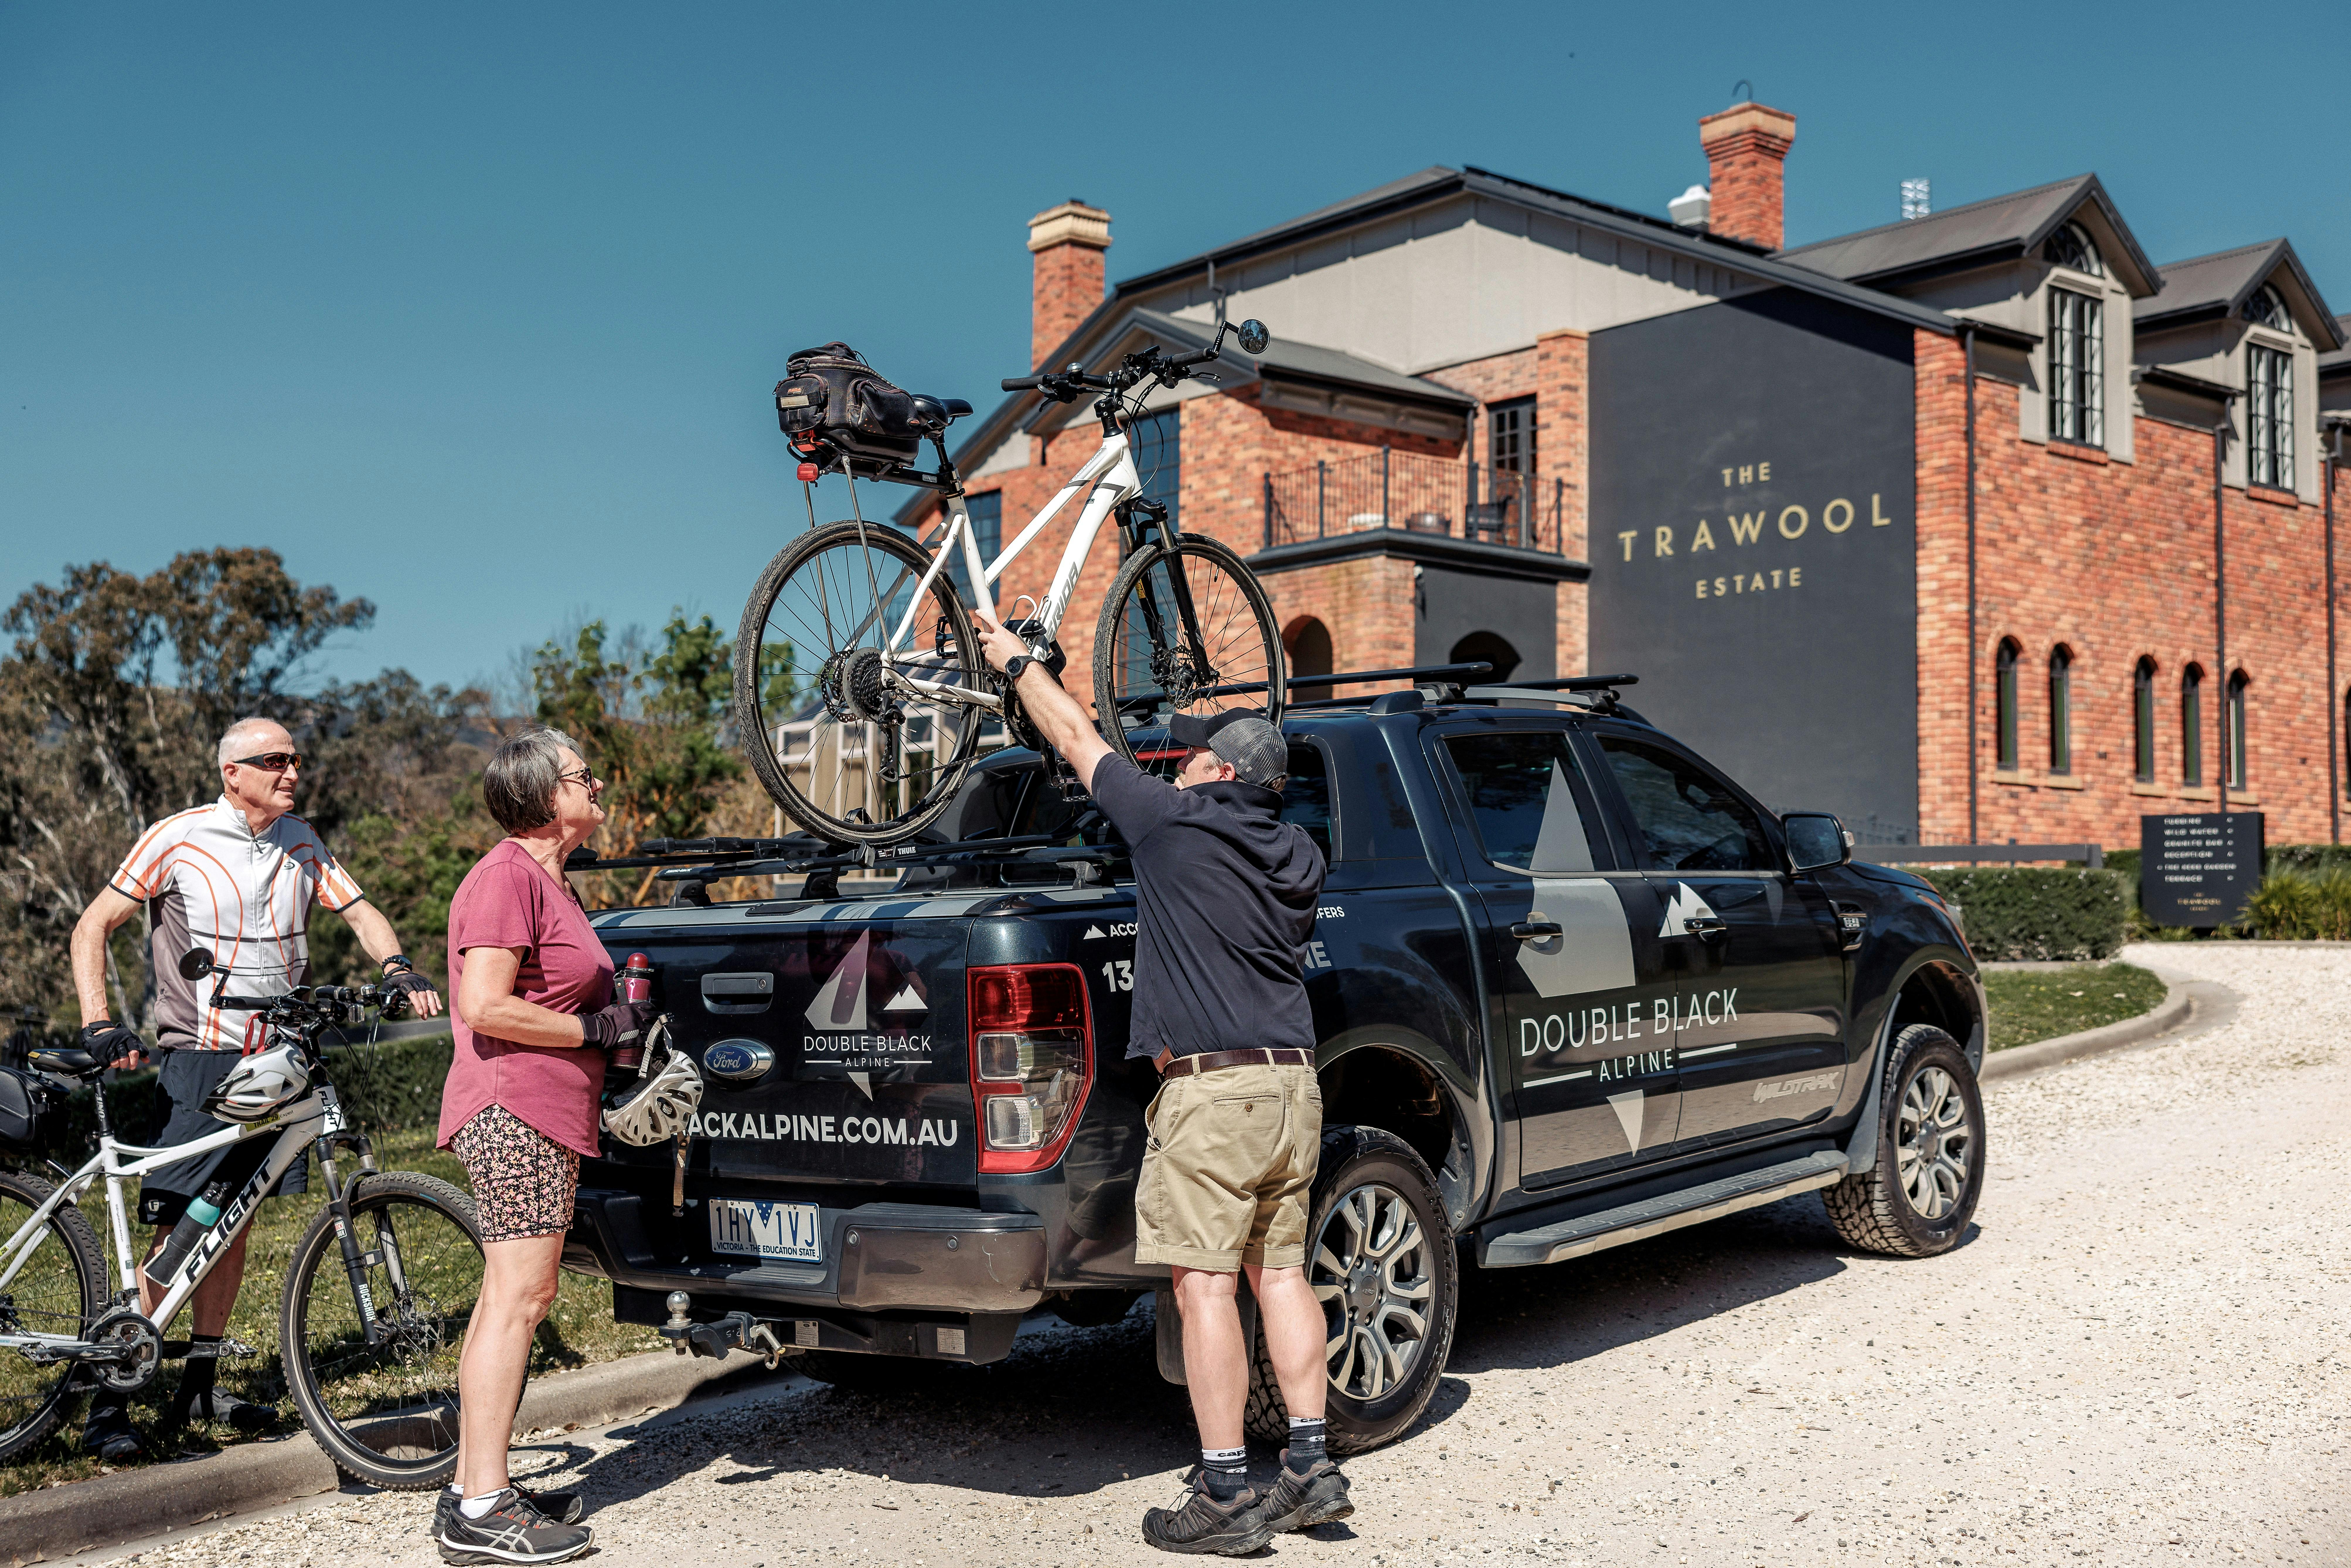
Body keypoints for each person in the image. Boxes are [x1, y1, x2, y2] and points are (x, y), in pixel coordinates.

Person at [971, 611, 1347, 1556]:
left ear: (1219, 772)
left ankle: (1223, 1492)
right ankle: (1312, 1467)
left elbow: (1074, 735)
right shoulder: (1301, 855)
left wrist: (1015, 663)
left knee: (1205, 1289)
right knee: (1282, 1274)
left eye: (1190, 757)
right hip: (1294, 1087)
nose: (1176, 765)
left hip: (1214, 1095)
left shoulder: (1172, 824)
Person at [68, 717, 442, 1458]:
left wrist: (397, 966)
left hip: (281, 1054)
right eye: (275, 760)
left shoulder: (301, 840)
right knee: (180, 1227)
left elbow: (359, 909)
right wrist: (98, 1021)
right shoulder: (178, 836)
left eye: (296, 759)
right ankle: (109, 1403)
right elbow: (93, 926)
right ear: (232, 772)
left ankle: (200, 1383)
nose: (292, 771)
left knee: (233, 1221)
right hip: (202, 1056)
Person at [432, 728, 651, 1565]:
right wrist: (596, 1028)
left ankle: (471, 1489)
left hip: (541, 1110)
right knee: (523, 1299)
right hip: (513, 1107)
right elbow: (485, 1005)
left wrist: (616, 1024)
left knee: (508, 1297)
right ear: (541, 795)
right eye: (581, 777)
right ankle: (483, 1508)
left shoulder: (550, 880)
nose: (597, 786)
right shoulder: (506, 878)